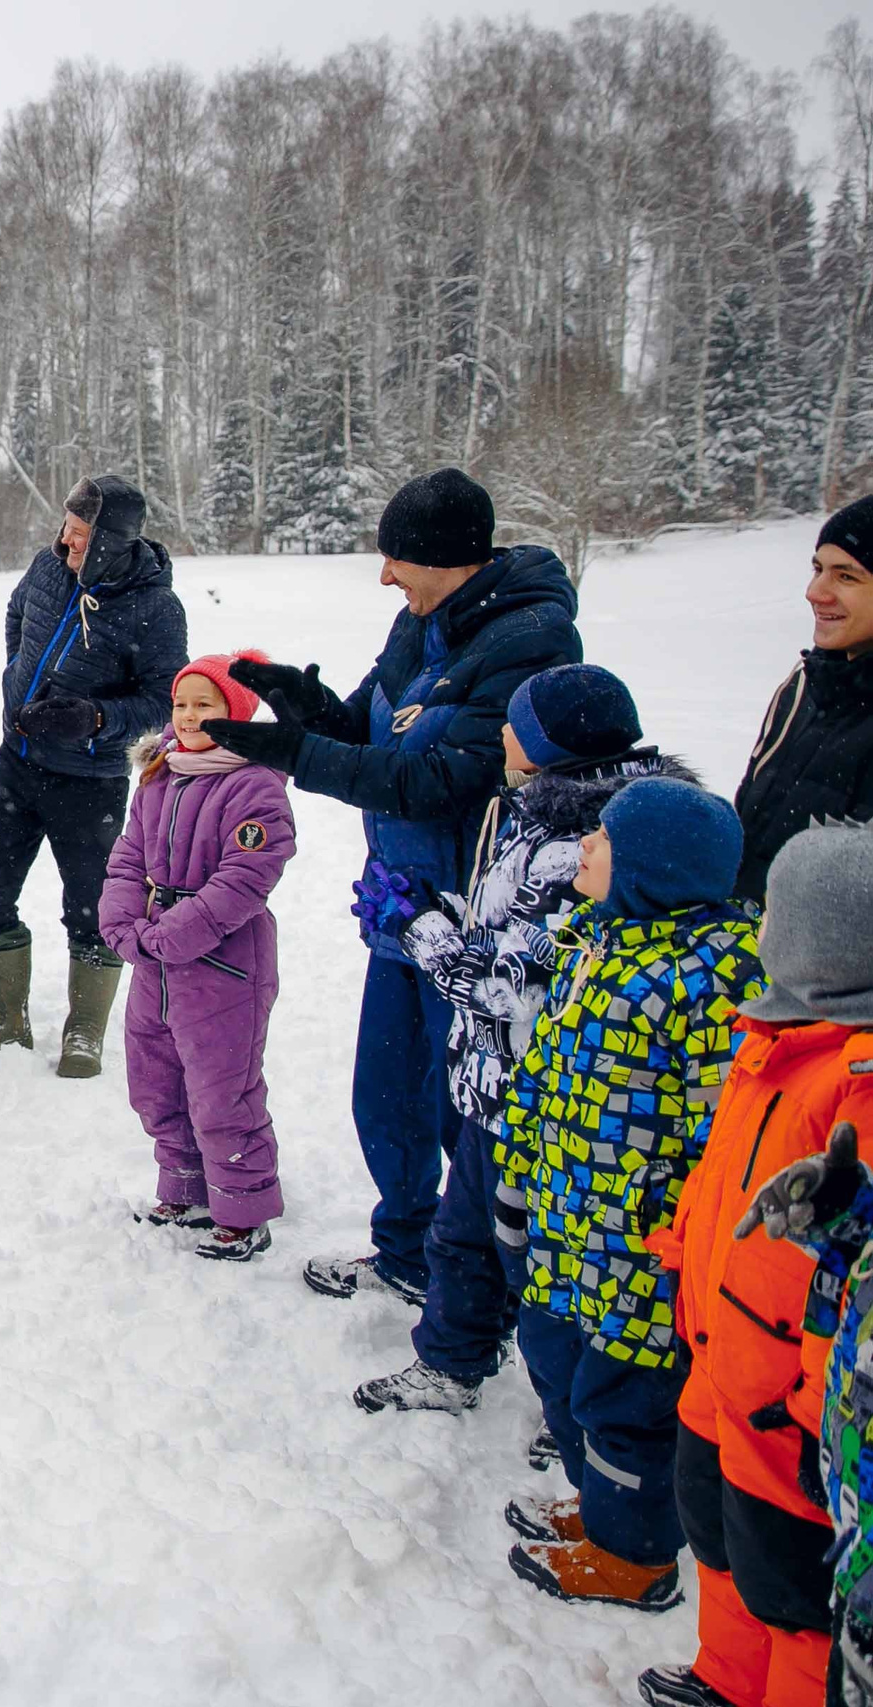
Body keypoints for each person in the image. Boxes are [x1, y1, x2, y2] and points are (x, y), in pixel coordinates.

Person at [202, 469, 582, 1308]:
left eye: (396, 559)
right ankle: (407, 1248)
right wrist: (306, 709)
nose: (384, 576)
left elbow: (446, 777)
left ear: (447, 559)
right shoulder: (419, 623)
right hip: (401, 908)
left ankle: (481, 1286)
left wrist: (296, 755)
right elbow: (370, 727)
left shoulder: (530, 640)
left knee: (468, 1120)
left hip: (477, 923)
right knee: (388, 1094)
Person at [356, 666, 696, 1414]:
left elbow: (517, 993)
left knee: (538, 1266)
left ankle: (580, 1419)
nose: (502, 735)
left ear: (545, 745)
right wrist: (438, 907)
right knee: (463, 1241)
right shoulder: (544, 819)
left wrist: (419, 929)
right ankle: (452, 1361)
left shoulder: (579, 853)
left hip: (544, 1107)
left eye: (516, 723)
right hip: (495, 1092)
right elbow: (503, 933)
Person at [497, 777, 761, 1611]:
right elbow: (542, 1072)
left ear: (654, 868)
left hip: (640, 1246)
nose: (585, 849)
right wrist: (517, 1174)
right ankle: (602, 1509)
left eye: (605, 840)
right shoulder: (594, 943)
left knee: (626, 1404)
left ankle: (636, 1554)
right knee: (560, 1366)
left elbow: (723, 1132)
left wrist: (673, 1232)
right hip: (568, 1218)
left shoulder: (711, 982)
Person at [640, 824, 873, 1707]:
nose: (758, 921)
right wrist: (684, 1256)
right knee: (718, 1532)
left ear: (825, 939)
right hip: (721, 1350)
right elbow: (725, 1179)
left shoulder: (855, 1080)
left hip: (789, 1400)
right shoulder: (773, 1035)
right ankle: (726, 1679)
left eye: (775, 909)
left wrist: (820, 1407)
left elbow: (859, 1271)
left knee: (792, 1591)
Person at [0, 475, 187, 1077]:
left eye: (81, 535)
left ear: (112, 540)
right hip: (17, 765)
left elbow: (167, 699)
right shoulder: (49, 565)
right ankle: (7, 1018)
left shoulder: (155, 607)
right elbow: (17, 617)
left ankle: (83, 1033)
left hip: (90, 780)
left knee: (93, 911)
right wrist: (17, 678)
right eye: (66, 528)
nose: (66, 542)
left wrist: (95, 717)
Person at [97, 652, 295, 1260]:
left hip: (223, 965)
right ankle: (184, 1185)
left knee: (221, 1088)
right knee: (155, 1080)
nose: (186, 716)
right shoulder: (161, 775)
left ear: (234, 712)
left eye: (203, 705)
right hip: (155, 958)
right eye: (181, 704)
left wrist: (179, 931)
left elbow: (245, 876)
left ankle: (242, 1206)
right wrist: (122, 916)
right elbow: (131, 852)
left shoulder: (253, 784)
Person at [733, 494, 873, 906]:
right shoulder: (805, 687)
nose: (815, 592)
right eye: (817, 569)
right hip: (748, 953)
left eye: (845, 576)